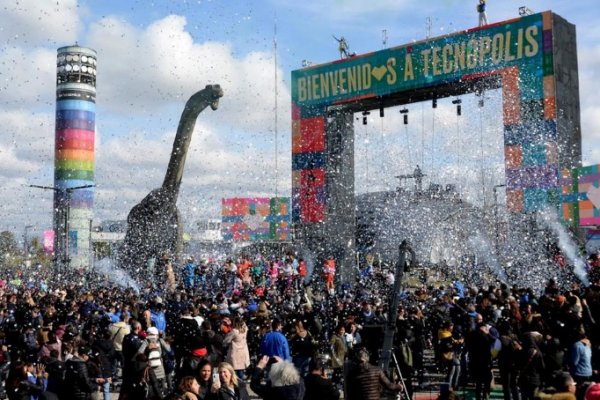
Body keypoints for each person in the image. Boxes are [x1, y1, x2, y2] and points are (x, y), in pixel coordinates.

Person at [223, 316, 250, 380]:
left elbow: (226, 340)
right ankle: (242, 381)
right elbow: (245, 325)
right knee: (241, 370)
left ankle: (239, 385)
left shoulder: (234, 331)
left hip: (235, 353)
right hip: (243, 351)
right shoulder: (245, 329)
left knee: (234, 372)